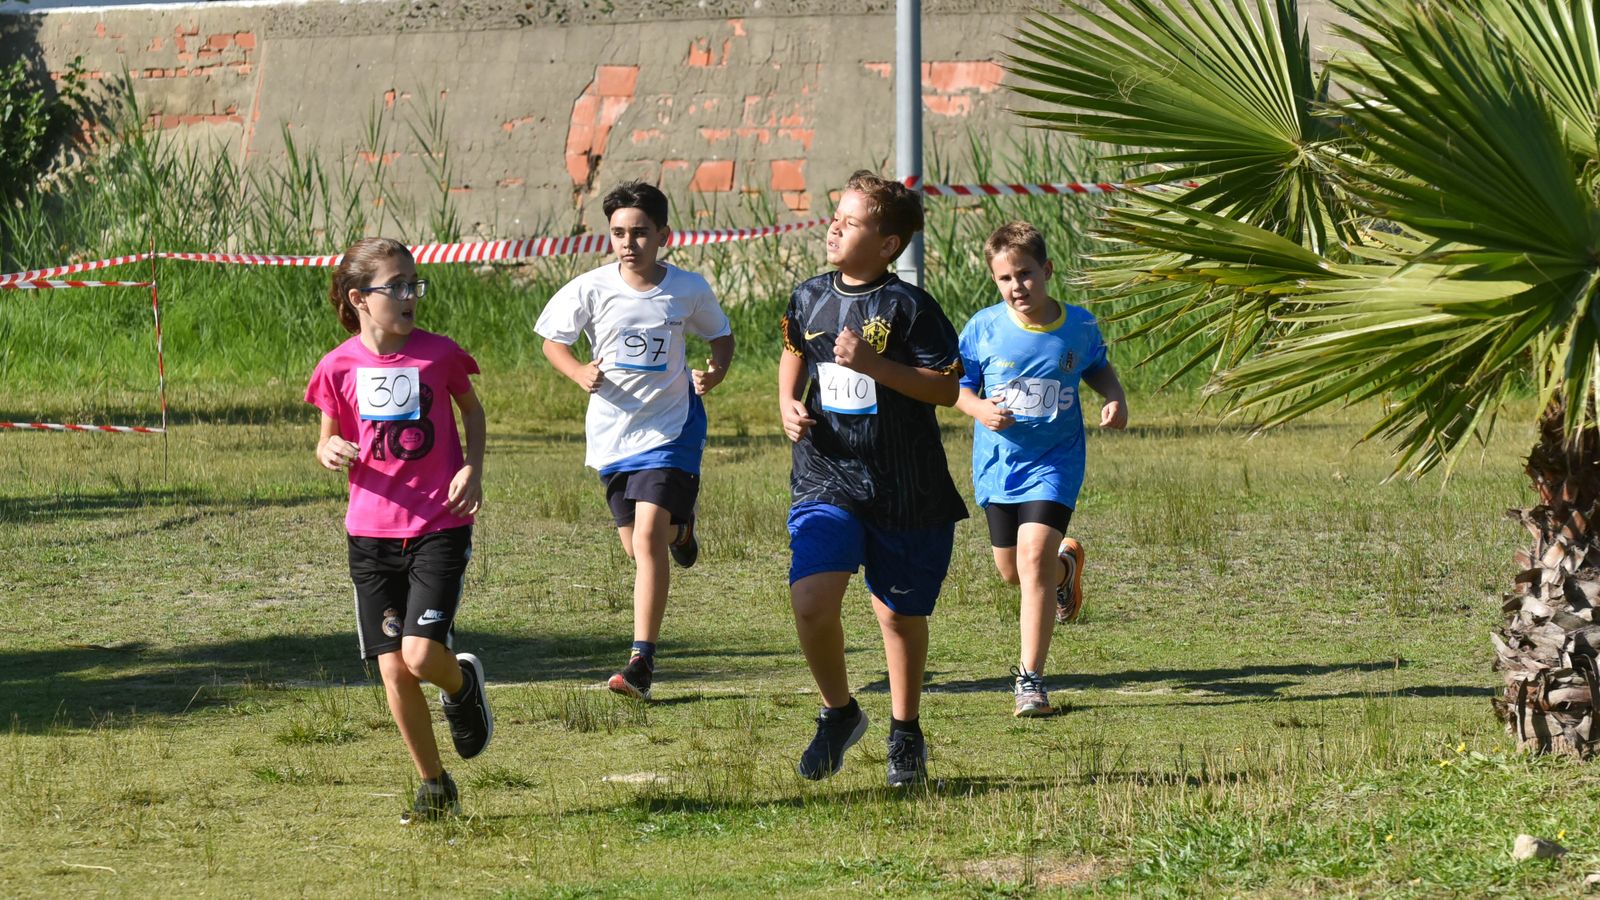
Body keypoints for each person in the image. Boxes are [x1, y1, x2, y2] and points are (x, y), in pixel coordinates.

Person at [778, 169, 968, 787]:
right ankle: (838, 711)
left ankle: (905, 730)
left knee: (897, 617)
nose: (834, 225)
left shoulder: (910, 306)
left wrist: (874, 365)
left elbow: (945, 389)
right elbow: (792, 349)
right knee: (811, 599)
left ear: (887, 244)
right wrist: (786, 401)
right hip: (826, 474)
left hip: (905, 484)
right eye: (836, 212)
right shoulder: (808, 296)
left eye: (852, 220)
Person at [305, 237, 493, 823]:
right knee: (392, 668)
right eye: (398, 287)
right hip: (369, 533)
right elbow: (325, 437)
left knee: (417, 655)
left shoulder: (437, 355)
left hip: (438, 523)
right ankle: (435, 785)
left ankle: (461, 685)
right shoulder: (338, 366)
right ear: (359, 298)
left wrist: (473, 468)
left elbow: (474, 412)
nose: (411, 296)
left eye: (416, 284)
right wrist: (329, 447)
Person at [536, 181, 735, 701]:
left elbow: (721, 335)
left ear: (664, 235)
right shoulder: (592, 288)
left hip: (671, 429)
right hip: (613, 435)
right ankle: (682, 530)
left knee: (646, 540)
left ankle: (641, 660)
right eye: (619, 233)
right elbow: (552, 341)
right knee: (637, 545)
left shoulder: (687, 289)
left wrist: (714, 372)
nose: (629, 243)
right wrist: (577, 369)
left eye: (640, 233)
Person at [954, 221, 1128, 718]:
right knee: (1012, 571)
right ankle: (1065, 570)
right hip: (999, 464)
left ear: (1047, 270)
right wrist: (979, 410)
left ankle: (1030, 681)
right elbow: (959, 386)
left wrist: (1114, 398)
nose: (1017, 287)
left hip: (1055, 461)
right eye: (1005, 279)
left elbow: (1096, 366)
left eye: (1026, 274)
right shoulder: (983, 328)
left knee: (1031, 561)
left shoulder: (1079, 325)